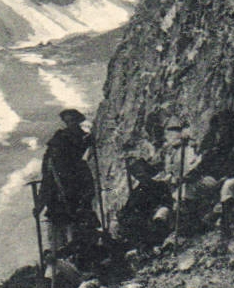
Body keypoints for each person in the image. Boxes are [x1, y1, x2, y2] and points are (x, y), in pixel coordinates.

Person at [38, 110, 100, 256]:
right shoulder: (59, 142)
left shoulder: (81, 141)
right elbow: (46, 182)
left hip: (76, 191)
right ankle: (58, 264)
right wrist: (39, 205)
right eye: (67, 121)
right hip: (58, 197)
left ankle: (82, 257)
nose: (70, 124)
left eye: (72, 121)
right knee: (57, 230)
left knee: (79, 227)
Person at [115, 157, 173, 254]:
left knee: (159, 216)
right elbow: (129, 207)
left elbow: (167, 202)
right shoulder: (137, 191)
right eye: (137, 175)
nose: (140, 177)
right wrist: (122, 213)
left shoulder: (159, 185)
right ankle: (142, 248)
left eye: (142, 174)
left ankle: (155, 244)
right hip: (141, 218)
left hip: (155, 217)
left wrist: (157, 209)